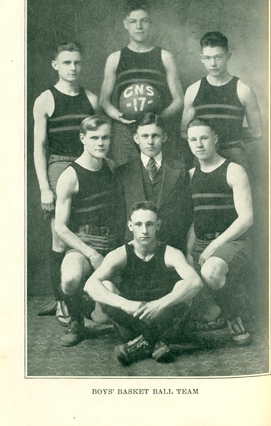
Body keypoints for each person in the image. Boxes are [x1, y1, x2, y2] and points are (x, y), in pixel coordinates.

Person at [84, 201, 203, 365]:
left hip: (164, 322)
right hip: (130, 323)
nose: (144, 231)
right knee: (105, 285)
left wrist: (159, 305)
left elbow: (196, 282)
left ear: (158, 225)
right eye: (138, 224)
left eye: (150, 224)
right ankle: (156, 342)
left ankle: (139, 344)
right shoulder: (119, 254)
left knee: (183, 285)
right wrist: (124, 304)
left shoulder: (171, 253)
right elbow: (89, 285)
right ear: (130, 226)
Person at [33, 42, 99, 324]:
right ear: (55, 65)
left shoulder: (92, 99)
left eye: (77, 63)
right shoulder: (45, 99)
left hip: (86, 166)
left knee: (85, 226)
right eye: (67, 62)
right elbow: (39, 147)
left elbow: (98, 141)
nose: (73, 68)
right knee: (59, 235)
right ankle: (61, 301)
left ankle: (81, 294)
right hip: (59, 166)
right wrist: (44, 187)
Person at [54, 115, 125, 347]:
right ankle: (75, 320)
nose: (101, 143)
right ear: (83, 138)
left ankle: (93, 300)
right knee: (70, 279)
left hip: (112, 244)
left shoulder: (112, 167)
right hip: (83, 243)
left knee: (104, 316)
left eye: (105, 137)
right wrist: (91, 253)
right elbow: (60, 227)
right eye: (94, 138)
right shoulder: (70, 176)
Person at [186, 118, 253, 346]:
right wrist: (187, 253)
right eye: (193, 139)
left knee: (211, 272)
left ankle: (233, 315)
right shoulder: (190, 175)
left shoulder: (233, 170)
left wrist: (214, 246)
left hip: (232, 242)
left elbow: (246, 219)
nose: (199, 144)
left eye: (204, 138)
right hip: (199, 244)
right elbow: (193, 220)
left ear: (215, 139)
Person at [100, 0, 184, 166]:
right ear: (126, 24)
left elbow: (179, 100)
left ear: (150, 23)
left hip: (156, 128)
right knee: (126, 175)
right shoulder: (115, 58)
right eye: (133, 22)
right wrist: (119, 116)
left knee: (159, 176)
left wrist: (158, 118)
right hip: (125, 129)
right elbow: (104, 100)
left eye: (144, 21)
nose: (139, 26)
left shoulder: (165, 57)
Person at [181, 31, 262, 174]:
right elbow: (184, 132)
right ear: (201, 58)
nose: (213, 63)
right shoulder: (193, 90)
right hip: (203, 158)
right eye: (208, 58)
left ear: (228, 56)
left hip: (235, 157)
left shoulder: (243, 90)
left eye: (218, 57)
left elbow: (257, 132)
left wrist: (233, 136)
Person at [117, 112, 192, 253]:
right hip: (133, 248)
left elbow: (186, 213)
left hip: (171, 246)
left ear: (164, 137)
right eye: (145, 136)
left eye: (155, 136)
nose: (150, 142)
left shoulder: (179, 169)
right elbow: (118, 215)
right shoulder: (123, 172)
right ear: (136, 138)